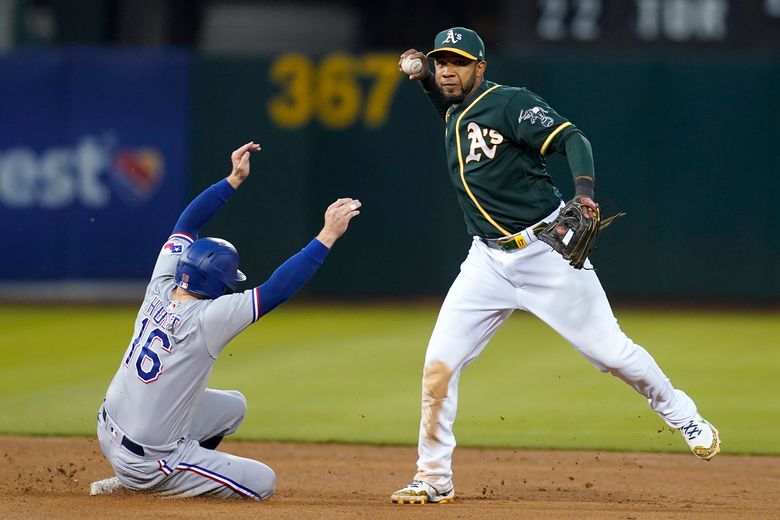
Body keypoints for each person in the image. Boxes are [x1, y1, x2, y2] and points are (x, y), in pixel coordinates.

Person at [390, 27, 720, 505]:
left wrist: (583, 192)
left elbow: (573, 138)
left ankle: (682, 412)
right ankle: (434, 477)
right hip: (485, 262)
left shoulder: (508, 103)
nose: (447, 70)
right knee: (437, 367)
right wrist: (422, 75)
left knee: (611, 354)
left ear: (480, 69)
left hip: (547, 254)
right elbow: (446, 101)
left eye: (458, 62)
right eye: (442, 61)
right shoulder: (454, 109)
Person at [94, 142, 361, 499]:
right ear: (218, 285)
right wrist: (327, 235)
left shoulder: (161, 285)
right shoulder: (210, 318)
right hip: (148, 461)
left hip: (107, 427)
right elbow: (276, 290)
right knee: (263, 483)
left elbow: (187, 222)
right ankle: (153, 480)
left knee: (233, 407)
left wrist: (232, 179)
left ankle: (142, 472)